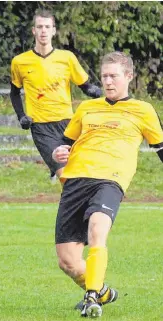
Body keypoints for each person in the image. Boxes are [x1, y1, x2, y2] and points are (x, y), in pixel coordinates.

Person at [52, 51, 163, 318]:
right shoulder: (87, 108)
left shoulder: (143, 110)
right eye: (104, 76)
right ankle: (101, 291)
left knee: (97, 228)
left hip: (110, 179)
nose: (108, 81)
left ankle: (91, 298)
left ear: (129, 76)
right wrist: (59, 152)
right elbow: (65, 143)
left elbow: (160, 148)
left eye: (113, 76)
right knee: (67, 261)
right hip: (76, 180)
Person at [10, 9, 102, 184]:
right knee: (66, 178)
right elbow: (14, 92)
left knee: (80, 175)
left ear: (53, 30)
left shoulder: (67, 58)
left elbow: (84, 84)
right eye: (39, 27)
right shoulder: (20, 61)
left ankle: (80, 208)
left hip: (68, 123)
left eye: (47, 27)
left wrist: (92, 90)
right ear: (34, 31)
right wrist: (21, 116)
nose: (43, 30)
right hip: (41, 127)